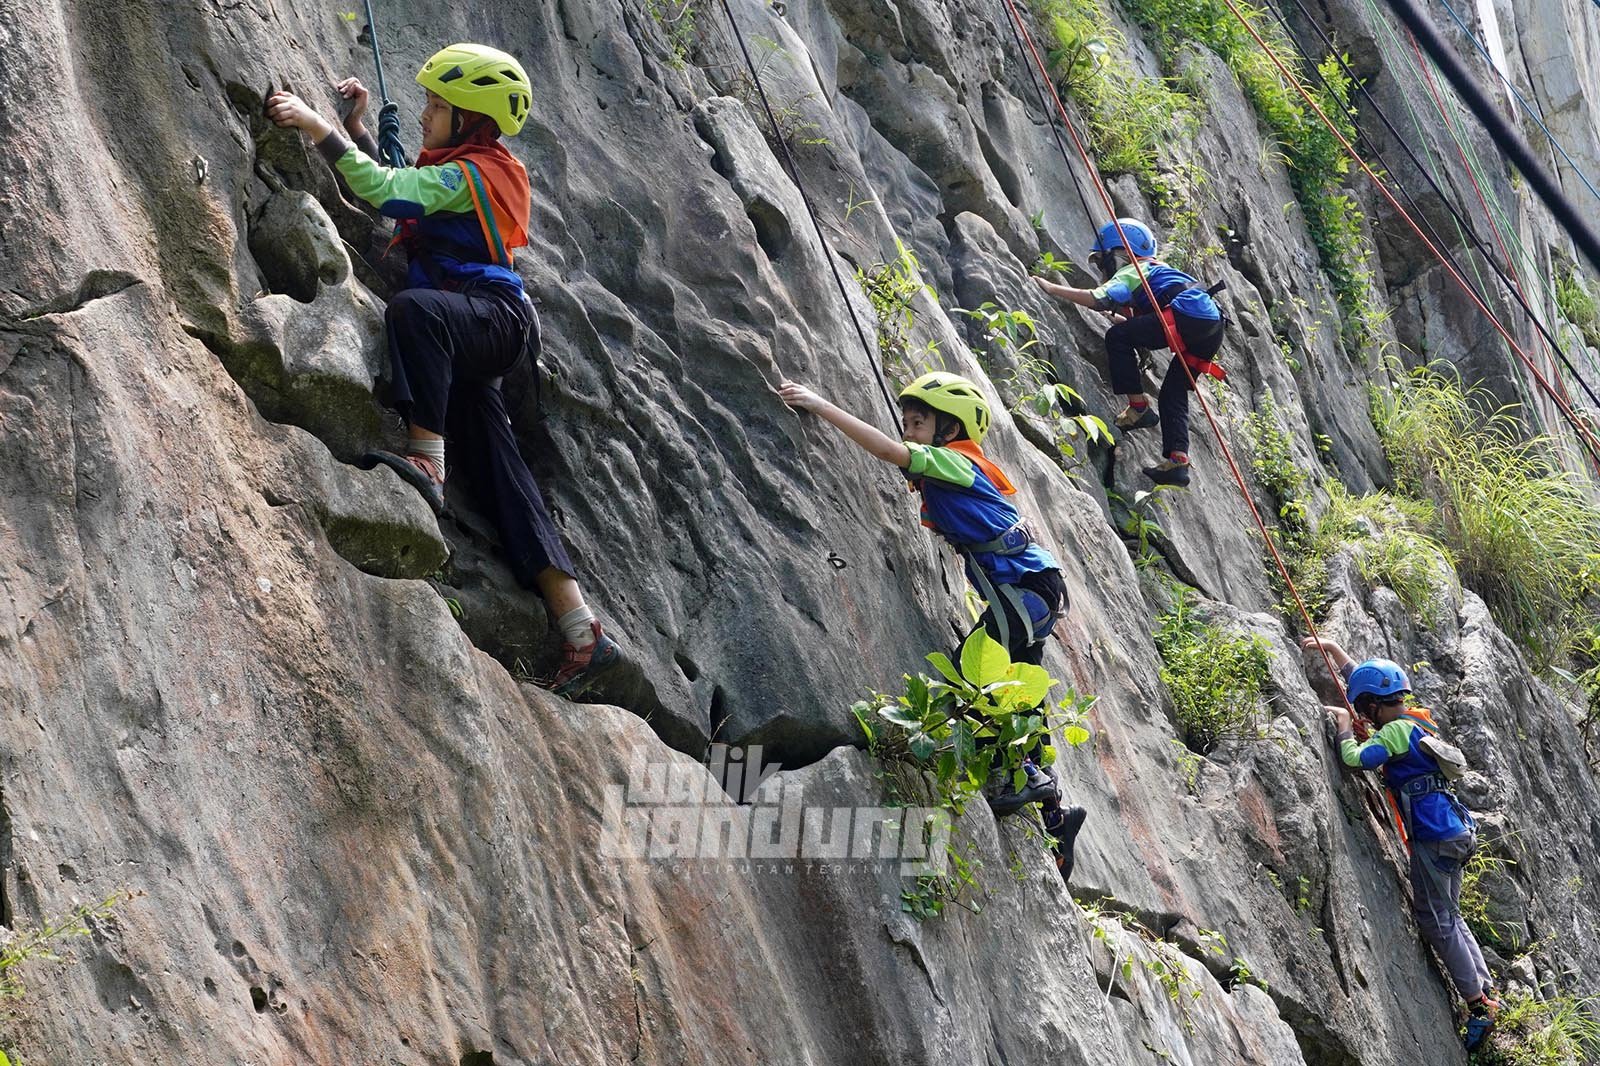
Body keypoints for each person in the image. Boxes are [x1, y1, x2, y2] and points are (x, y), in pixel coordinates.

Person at [266, 44, 621, 697]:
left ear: (469, 119)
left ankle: (426, 461)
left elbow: (388, 191)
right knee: (503, 477)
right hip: (484, 333)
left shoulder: (479, 173)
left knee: (414, 312)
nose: (426, 112)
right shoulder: (467, 169)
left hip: (487, 319)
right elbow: (405, 177)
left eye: (436, 106)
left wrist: (317, 128)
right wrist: (360, 126)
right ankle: (580, 630)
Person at [778, 372, 1088, 882]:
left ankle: (1024, 778)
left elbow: (889, 451)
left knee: (979, 679)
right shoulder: (953, 468)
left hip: (1020, 589)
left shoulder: (954, 460)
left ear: (951, 427)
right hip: (1032, 588)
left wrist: (820, 402)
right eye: (907, 418)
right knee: (1018, 689)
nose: (908, 426)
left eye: (919, 420)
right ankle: (1055, 812)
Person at [1302, 636, 1500, 1051]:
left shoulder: (1391, 732)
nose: (1362, 714)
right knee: (1450, 914)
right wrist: (1337, 652)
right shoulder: (1415, 719)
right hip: (1455, 830)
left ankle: (1478, 1004)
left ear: (1372, 707)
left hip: (1434, 836)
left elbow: (1355, 760)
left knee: (1435, 920)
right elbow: (1369, 684)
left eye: (1363, 709)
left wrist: (1342, 728)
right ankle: (1485, 988)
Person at [1033, 218, 1224, 488]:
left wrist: (1052, 288)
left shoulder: (1134, 269)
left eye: (1102, 261)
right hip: (1211, 326)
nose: (1102, 269)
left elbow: (1099, 298)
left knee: (1117, 337)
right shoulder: (1160, 271)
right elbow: (1157, 318)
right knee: (1173, 391)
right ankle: (1177, 462)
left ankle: (1138, 408)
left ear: (1119, 253)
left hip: (1184, 317)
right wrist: (1130, 322)